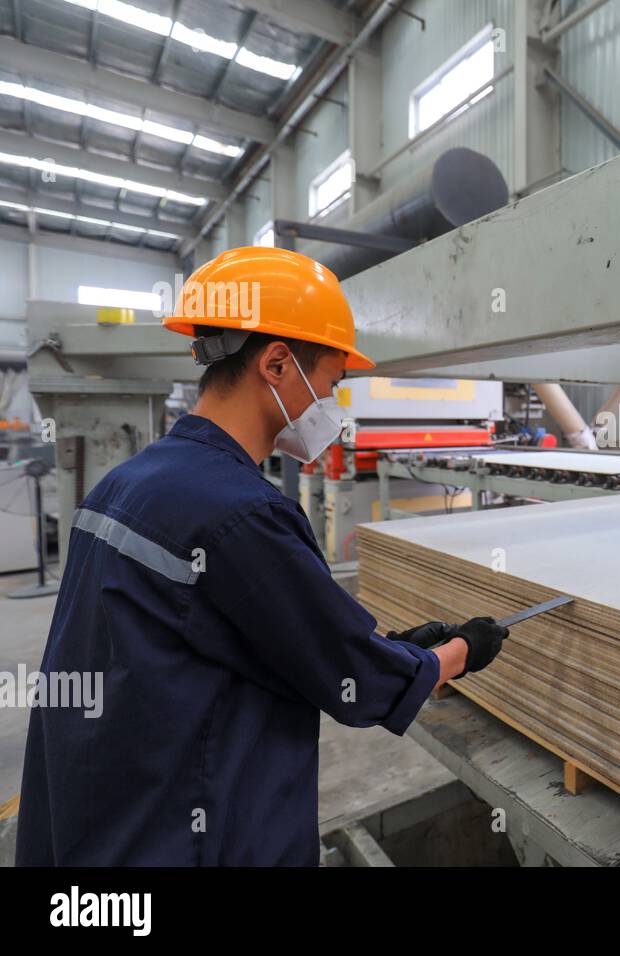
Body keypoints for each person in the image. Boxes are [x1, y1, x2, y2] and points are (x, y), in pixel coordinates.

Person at [16, 247, 508, 865]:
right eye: (330, 385)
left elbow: (242, 634)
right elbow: (355, 685)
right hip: (189, 837)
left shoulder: (124, 484)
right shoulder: (243, 514)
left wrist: (391, 646)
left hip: (101, 826)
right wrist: (459, 652)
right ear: (277, 364)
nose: (327, 407)